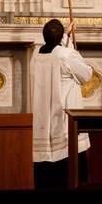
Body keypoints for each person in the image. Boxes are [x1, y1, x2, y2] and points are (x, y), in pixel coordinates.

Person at [30, 18, 92, 190]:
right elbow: (86, 75)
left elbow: (54, 49)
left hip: (44, 122)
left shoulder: (36, 55)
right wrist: (71, 47)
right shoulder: (66, 55)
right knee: (70, 177)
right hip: (66, 123)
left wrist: (66, 35)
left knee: (48, 178)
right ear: (60, 39)